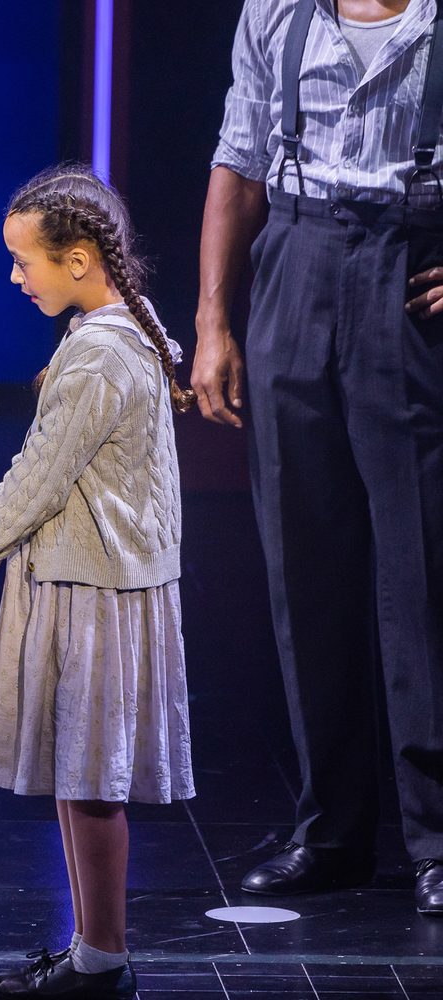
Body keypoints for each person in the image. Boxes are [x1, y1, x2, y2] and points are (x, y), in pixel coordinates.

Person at [195, 0, 443, 914]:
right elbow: (239, 161)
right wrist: (213, 320)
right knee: (305, 562)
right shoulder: (278, 12)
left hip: (407, 271)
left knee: (420, 570)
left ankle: (437, 839)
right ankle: (331, 830)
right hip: (295, 265)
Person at [0, 166, 196, 999]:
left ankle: (103, 961)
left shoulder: (98, 356)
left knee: (90, 781)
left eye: (27, 261)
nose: (16, 278)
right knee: (77, 774)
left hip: (95, 588)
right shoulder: (123, 324)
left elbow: (39, 478)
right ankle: (94, 951)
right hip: (98, 576)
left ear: (81, 259)